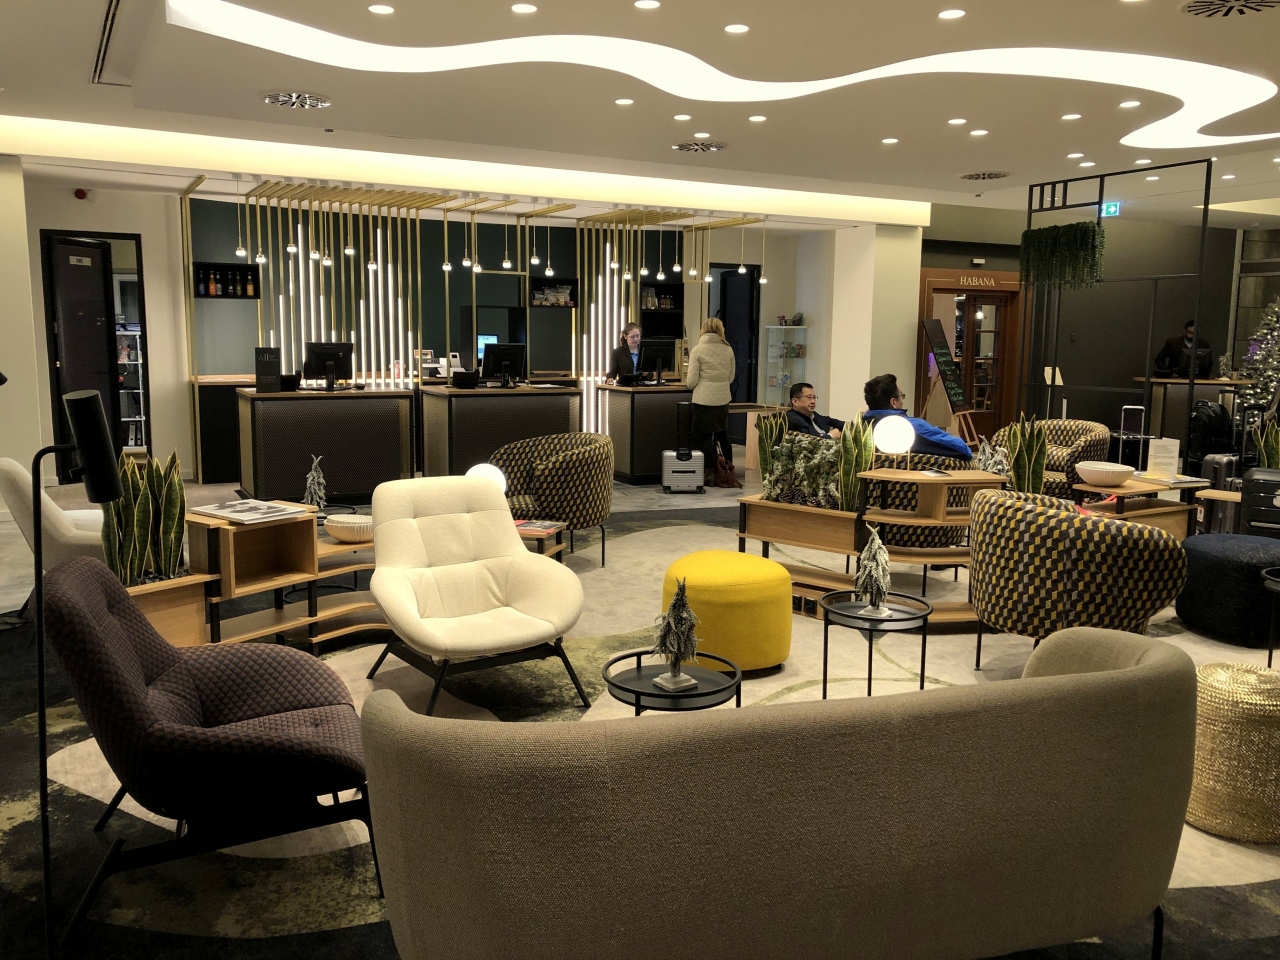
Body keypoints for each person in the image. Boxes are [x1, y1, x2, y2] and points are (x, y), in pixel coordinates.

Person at [862, 373, 972, 460]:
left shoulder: (863, 426)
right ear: (893, 402)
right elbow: (963, 450)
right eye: (901, 395)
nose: (903, 400)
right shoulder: (912, 428)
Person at [686, 317, 738, 485]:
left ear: (703, 330)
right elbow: (731, 377)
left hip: (703, 400)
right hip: (722, 399)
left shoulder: (697, 350)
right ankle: (728, 471)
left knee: (705, 438)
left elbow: (691, 382)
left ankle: (708, 473)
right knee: (723, 435)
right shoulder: (728, 349)